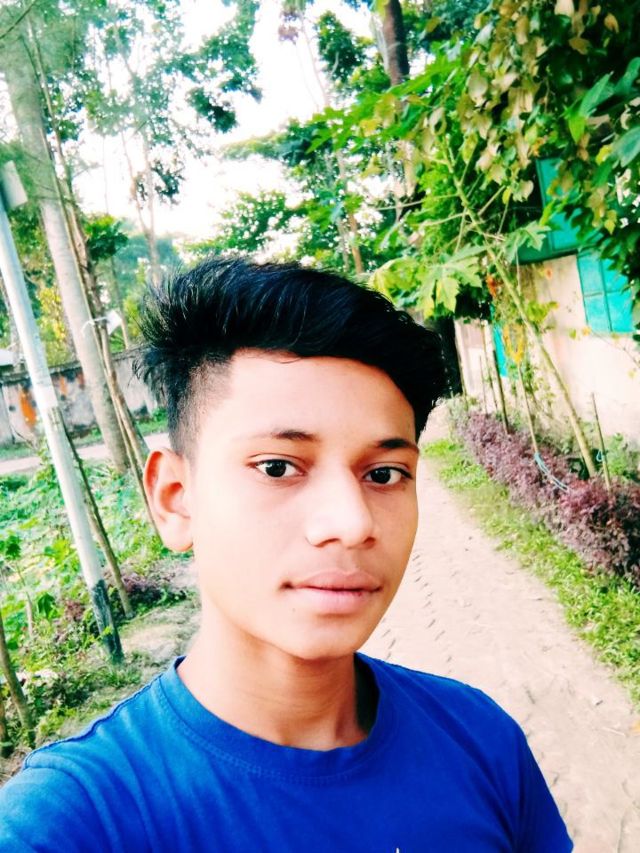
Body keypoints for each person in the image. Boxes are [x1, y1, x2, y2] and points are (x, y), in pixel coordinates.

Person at [0, 258, 572, 851]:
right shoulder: (72, 821)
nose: (352, 523)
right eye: (277, 467)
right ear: (175, 498)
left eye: (383, 473)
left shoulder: (481, 740)